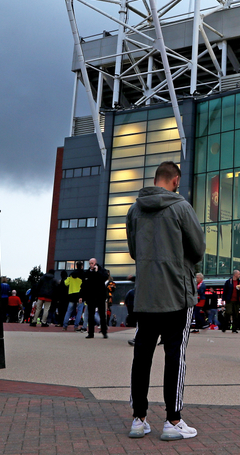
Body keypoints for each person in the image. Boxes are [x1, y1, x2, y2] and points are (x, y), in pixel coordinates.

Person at [126, 161, 205, 441]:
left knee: (141, 357)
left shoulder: (135, 210)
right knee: (175, 357)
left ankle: (139, 418)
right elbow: (198, 248)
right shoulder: (181, 207)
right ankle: (173, 420)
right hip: (176, 293)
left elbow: (135, 251)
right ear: (175, 180)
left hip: (146, 294)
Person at [82, 258, 109, 339]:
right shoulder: (87, 272)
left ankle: (104, 332)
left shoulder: (101, 270)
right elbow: (84, 284)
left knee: (102, 315)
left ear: (96, 263)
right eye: (90, 263)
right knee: (91, 315)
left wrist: (97, 272)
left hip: (100, 296)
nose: (91, 265)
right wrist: (82, 296)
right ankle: (90, 333)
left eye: (92, 263)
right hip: (91, 297)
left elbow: (104, 277)